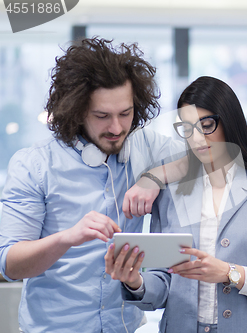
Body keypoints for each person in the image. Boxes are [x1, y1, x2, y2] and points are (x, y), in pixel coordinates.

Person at [0, 37, 185, 332]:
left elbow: (215, 156)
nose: (116, 128)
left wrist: (154, 177)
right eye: (102, 116)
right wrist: (67, 238)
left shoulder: (145, 147)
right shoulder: (34, 165)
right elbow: (11, 265)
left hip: (123, 327)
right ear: (76, 110)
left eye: (125, 114)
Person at [104, 76, 247, 333]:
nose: (198, 138)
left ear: (229, 120)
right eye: (188, 129)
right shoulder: (170, 193)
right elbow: (164, 280)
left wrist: (229, 273)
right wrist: (135, 281)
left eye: (207, 124)